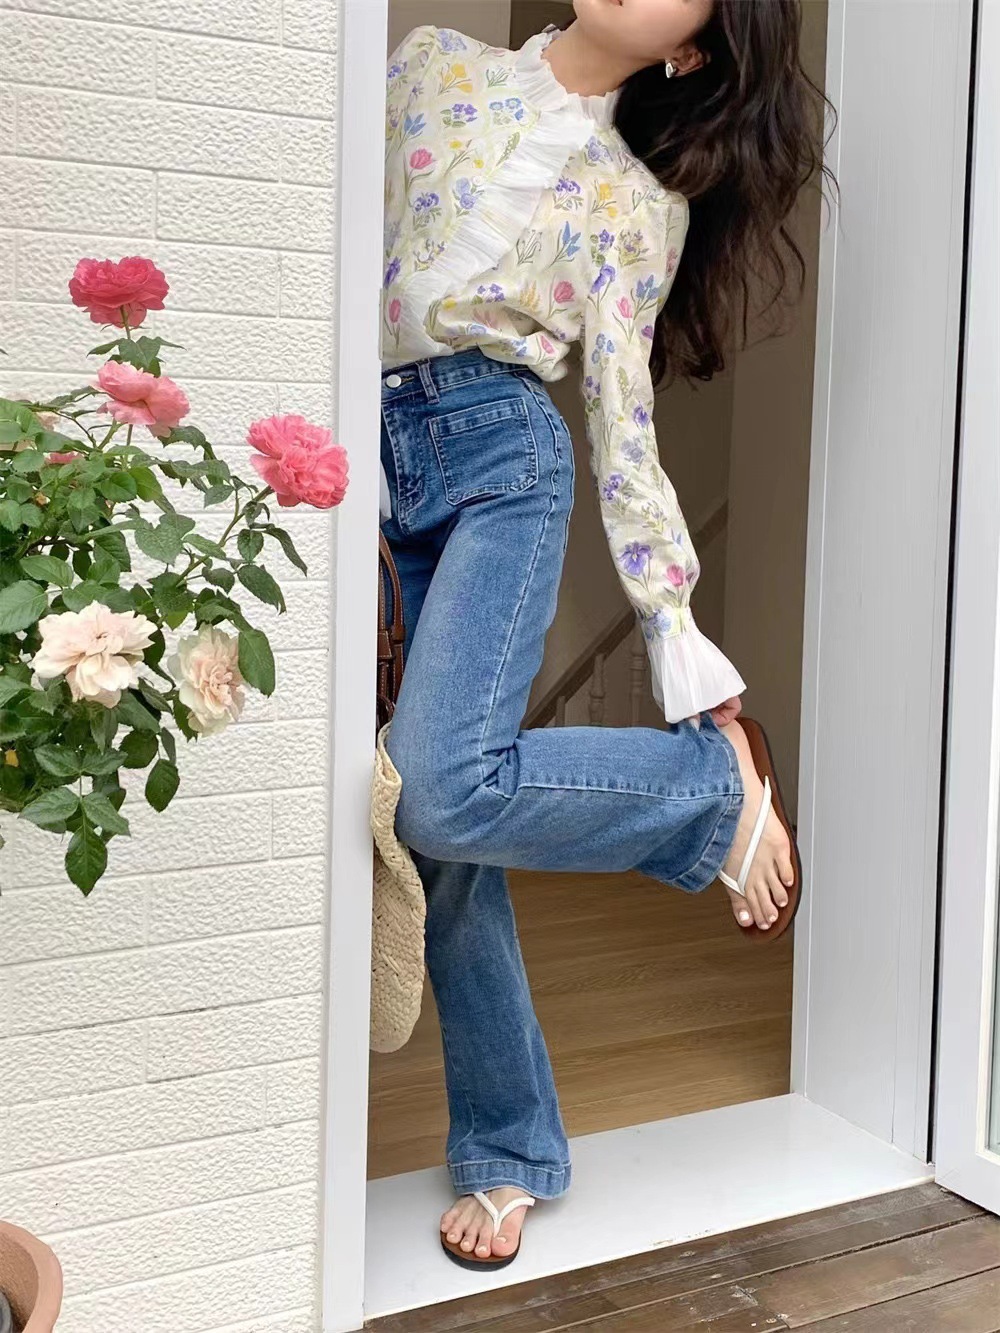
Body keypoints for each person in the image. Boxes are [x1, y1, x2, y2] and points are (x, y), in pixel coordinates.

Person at [378, 0, 828, 1270]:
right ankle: (511, 1143)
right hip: (364, 459)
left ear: (689, 49)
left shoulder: (643, 206)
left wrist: (680, 650)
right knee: (441, 827)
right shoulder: (428, 66)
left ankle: (705, 789)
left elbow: (624, 431)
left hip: (502, 459)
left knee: (442, 788)